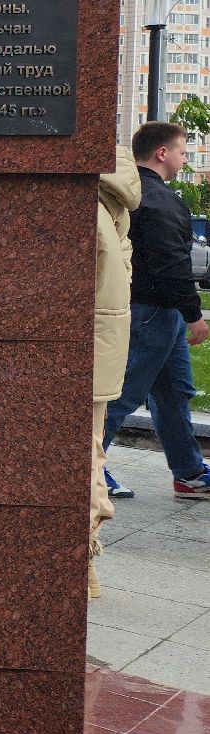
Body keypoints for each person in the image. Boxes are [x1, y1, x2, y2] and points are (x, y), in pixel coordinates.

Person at [102, 122, 210, 499]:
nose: (185, 160)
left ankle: (190, 474)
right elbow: (171, 264)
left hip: (155, 312)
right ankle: (87, 471)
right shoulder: (160, 200)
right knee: (120, 395)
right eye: (182, 152)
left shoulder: (131, 195)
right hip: (153, 313)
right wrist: (194, 314)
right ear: (162, 153)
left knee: (172, 392)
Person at [90, 148, 138, 598]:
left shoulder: (87, 210)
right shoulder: (111, 207)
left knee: (84, 462)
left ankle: (79, 570)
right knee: (90, 458)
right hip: (98, 362)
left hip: (84, 360)